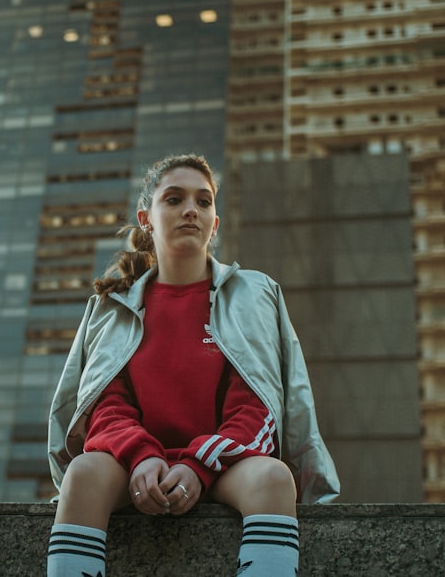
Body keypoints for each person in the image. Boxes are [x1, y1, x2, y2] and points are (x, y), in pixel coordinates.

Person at [46, 153, 339, 577]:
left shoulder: (254, 294)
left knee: (274, 479)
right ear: (146, 218)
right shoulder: (112, 307)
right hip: (132, 466)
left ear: (215, 223)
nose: (190, 210)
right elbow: (105, 407)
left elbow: (257, 408)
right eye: (174, 199)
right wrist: (143, 457)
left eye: (203, 202)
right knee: (84, 473)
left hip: (223, 467)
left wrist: (198, 465)